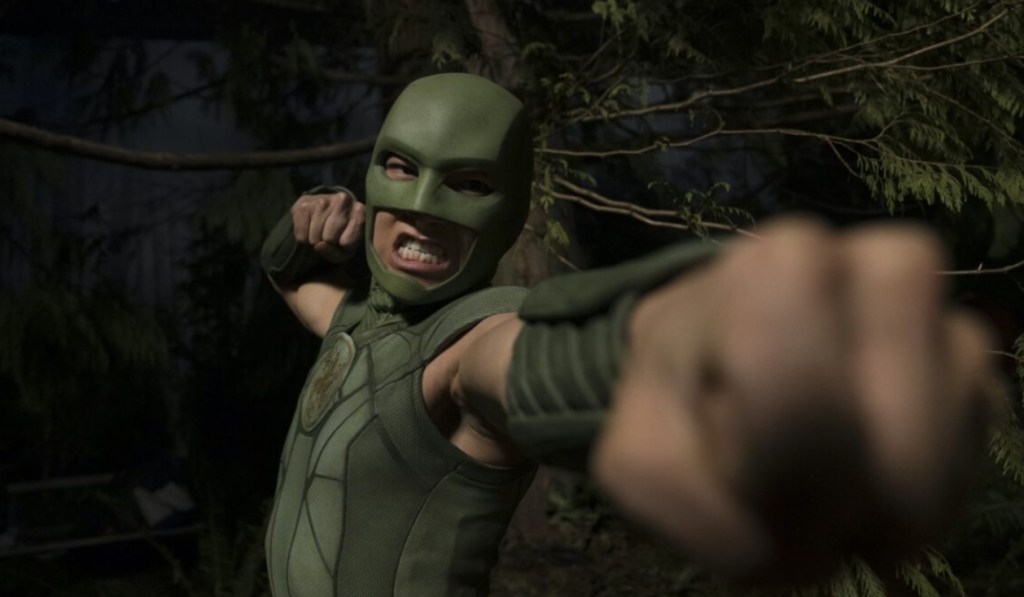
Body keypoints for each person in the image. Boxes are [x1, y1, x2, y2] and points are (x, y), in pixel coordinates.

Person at [260, 73, 996, 596]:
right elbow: (285, 274)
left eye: (468, 184)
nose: (422, 207)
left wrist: (700, 350)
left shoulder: (465, 345)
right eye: (400, 168)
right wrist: (310, 219)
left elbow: (540, 360)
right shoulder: (354, 325)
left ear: (508, 211)